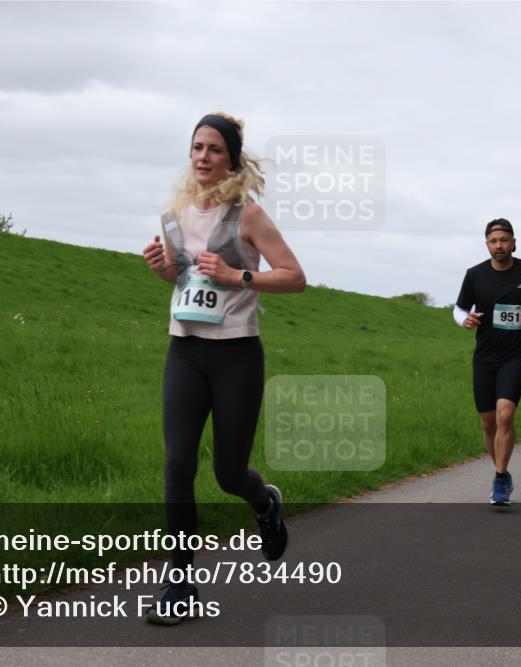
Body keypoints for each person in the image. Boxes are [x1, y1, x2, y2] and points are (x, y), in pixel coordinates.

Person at [141, 112, 307, 624]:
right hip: (185, 349)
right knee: (177, 465)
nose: (202, 158)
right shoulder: (173, 213)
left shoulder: (248, 215)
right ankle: (180, 581)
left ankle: (264, 502)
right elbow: (183, 278)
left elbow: (295, 277)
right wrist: (163, 268)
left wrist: (239, 274)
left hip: (236, 353)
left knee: (228, 472)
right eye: (196, 147)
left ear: (231, 158)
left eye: (214, 149)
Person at [454, 218, 521, 506]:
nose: (499, 246)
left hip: (516, 354)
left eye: (504, 240)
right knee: (488, 423)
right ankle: (503, 471)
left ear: (514, 242)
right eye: (494, 241)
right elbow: (460, 308)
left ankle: (499, 479)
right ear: (487, 244)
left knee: (505, 414)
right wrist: (466, 319)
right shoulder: (475, 275)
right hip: (485, 356)